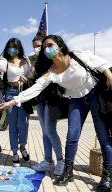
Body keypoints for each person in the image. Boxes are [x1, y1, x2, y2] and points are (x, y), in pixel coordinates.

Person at [0, 35, 112, 189]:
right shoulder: (51, 71)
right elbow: (35, 88)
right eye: (44, 48)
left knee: (103, 137)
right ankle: (68, 171)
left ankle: (107, 176)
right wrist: (14, 100)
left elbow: (101, 64)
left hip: (94, 95)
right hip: (77, 99)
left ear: (60, 45)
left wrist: (109, 76)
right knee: (72, 136)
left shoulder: (77, 55)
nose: (47, 49)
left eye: (50, 45)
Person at [0, 38, 31, 164]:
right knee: (13, 124)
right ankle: (14, 152)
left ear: (19, 48)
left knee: (23, 124)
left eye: (14, 47)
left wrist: (27, 79)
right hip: (10, 93)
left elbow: (32, 75)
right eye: (9, 47)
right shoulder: (6, 62)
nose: (11, 49)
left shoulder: (26, 61)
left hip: (24, 93)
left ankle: (23, 147)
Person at [29, 36, 65, 175]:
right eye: (35, 46)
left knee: (50, 131)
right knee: (45, 132)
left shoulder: (54, 58)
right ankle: (48, 161)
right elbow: (35, 79)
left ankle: (60, 161)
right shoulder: (37, 61)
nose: (39, 48)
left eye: (40, 45)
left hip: (52, 99)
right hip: (41, 100)